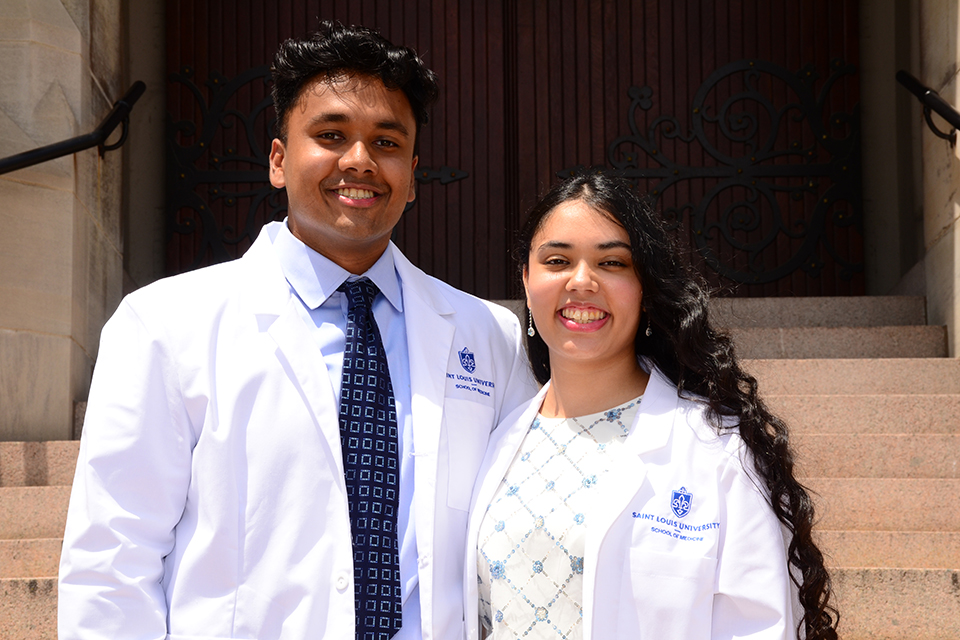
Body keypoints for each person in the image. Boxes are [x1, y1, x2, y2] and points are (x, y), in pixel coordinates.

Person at [58, 22, 537, 640]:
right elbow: (111, 561)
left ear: (414, 176)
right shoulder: (163, 326)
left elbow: (519, 536)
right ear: (279, 161)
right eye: (331, 135)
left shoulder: (489, 337)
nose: (360, 160)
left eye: (386, 142)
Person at [463, 174, 839, 639]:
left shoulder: (716, 449)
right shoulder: (500, 440)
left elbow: (762, 626)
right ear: (525, 278)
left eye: (612, 263)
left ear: (644, 287)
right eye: (557, 260)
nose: (582, 281)